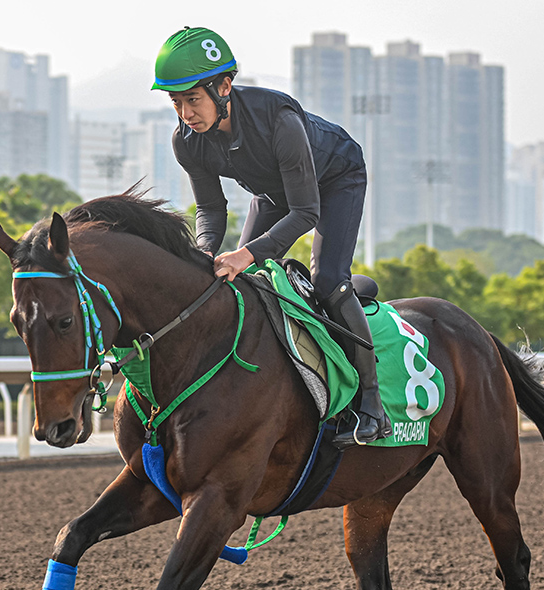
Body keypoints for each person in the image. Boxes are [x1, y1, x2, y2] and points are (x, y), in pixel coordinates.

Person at [152, 26, 391, 447]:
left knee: (327, 280)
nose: (186, 113)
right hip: (273, 192)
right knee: (234, 280)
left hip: (334, 180)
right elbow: (210, 208)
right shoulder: (185, 141)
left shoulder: (278, 120)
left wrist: (246, 252)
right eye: (176, 102)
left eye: (193, 99)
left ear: (224, 87)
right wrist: (205, 252)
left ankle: (371, 404)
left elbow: (305, 212)